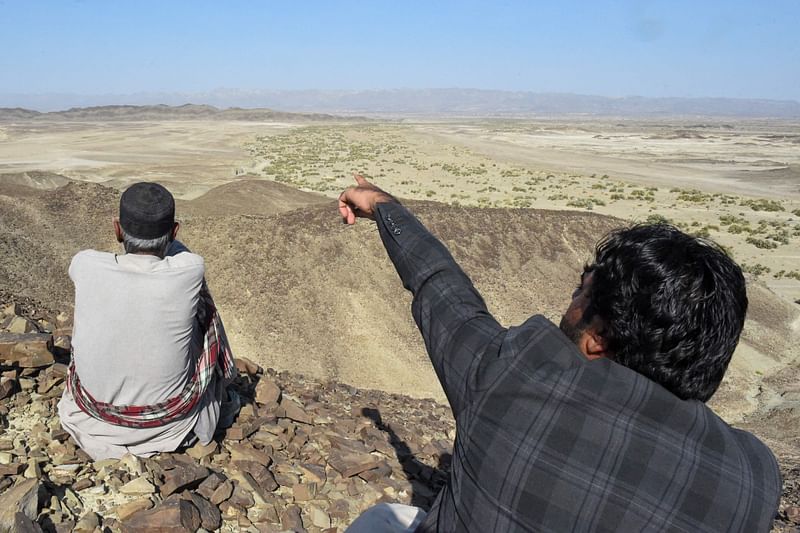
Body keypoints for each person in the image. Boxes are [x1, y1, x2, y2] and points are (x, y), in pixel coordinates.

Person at [339, 175, 781, 532]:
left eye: (578, 294)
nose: (568, 305)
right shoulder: (754, 478)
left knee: (382, 520)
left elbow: (441, 287)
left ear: (598, 339)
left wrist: (382, 205)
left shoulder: (520, 377)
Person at [58, 182, 238, 460]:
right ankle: (224, 374)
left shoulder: (85, 264)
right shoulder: (190, 270)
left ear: (117, 229)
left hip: (93, 420)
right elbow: (180, 253)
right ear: (174, 230)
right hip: (173, 427)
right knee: (198, 313)